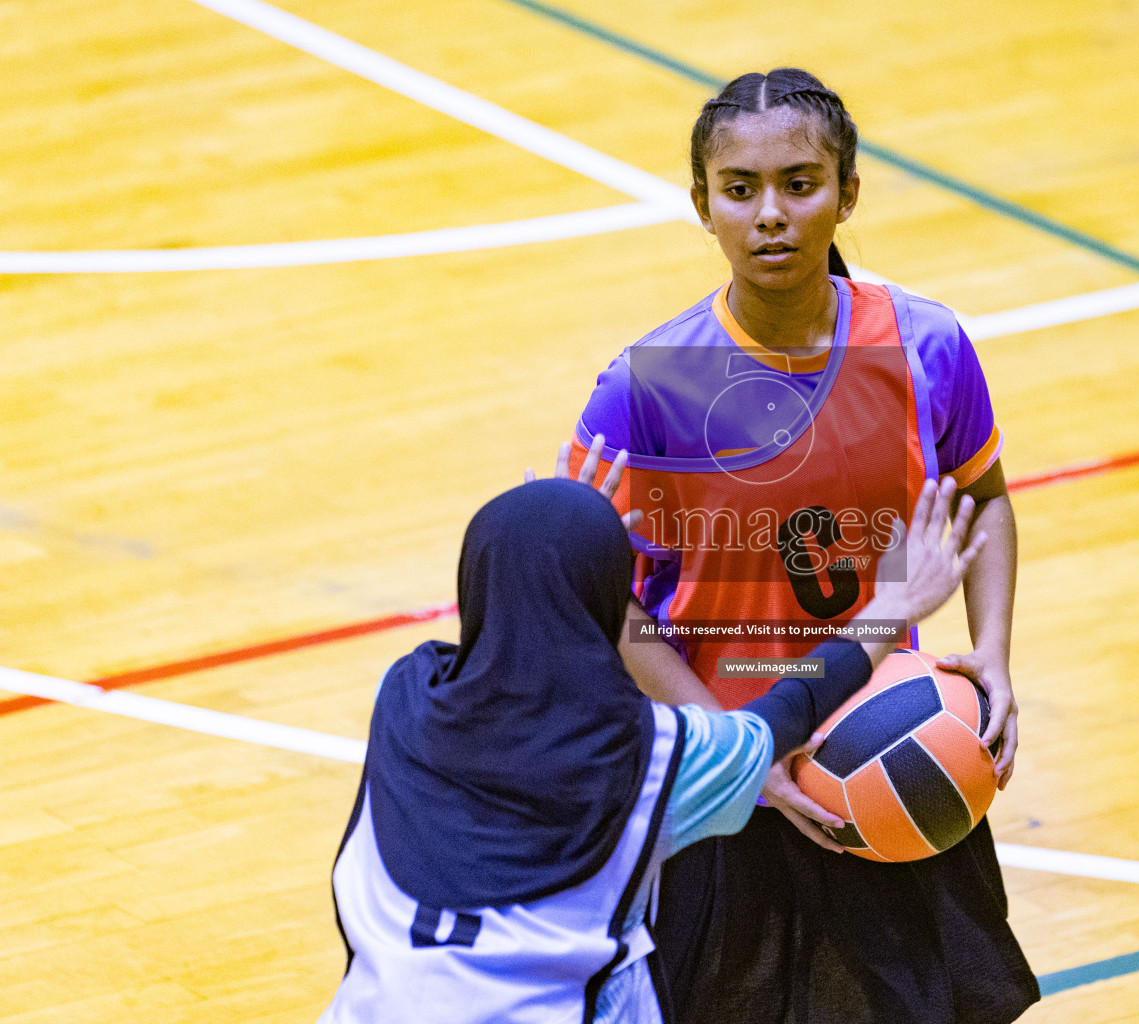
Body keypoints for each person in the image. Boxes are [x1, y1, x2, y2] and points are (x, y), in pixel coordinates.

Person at [571, 69, 1039, 1023]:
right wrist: (741, 758)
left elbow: (983, 500)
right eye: (740, 190)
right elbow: (605, 603)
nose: (771, 215)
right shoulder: (643, 389)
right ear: (703, 206)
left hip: (886, 743)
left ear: (849, 191)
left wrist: (989, 655)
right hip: (720, 765)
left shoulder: (927, 347)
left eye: (800, 182)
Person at [316, 447, 986, 1024]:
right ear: (608, 604)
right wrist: (892, 609)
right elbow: (785, 713)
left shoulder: (402, 693)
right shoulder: (657, 759)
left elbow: (520, 595)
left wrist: (549, 534)